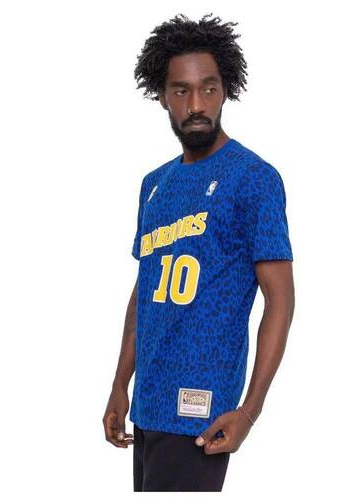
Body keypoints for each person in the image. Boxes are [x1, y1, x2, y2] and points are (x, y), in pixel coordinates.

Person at [102, 12, 295, 492]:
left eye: (208, 89)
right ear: (162, 96)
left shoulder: (253, 178)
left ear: (225, 90)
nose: (196, 105)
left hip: (201, 413)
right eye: (181, 91)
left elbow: (280, 299)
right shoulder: (153, 185)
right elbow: (145, 291)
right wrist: (120, 385)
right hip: (147, 405)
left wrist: (249, 411)